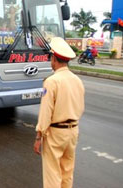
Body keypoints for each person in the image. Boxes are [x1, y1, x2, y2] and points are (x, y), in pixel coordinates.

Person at [34, 37, 85, 188]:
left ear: (54, 59)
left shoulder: (51, 81)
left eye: (51, 58)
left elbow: (45, 113)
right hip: (73, 131)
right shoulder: (77, 80)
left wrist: (39, 136)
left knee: (52, 174)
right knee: (67, 172)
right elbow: (80, 107)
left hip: (56, 133)